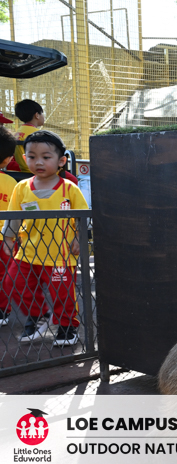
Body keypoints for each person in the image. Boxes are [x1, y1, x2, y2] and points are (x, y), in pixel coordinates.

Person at [2, 130, 89, 346]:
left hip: (60, 255)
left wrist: (79, 237)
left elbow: (83, 217)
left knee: (62, 293)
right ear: (25, 158)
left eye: (46, 157)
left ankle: (67, 326)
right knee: (13, 282)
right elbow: (13, 216)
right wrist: (8, 238)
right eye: (32, 157)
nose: (38, 162)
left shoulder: (69, 188)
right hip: (27, 253)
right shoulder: (22, 188)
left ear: (61, 161)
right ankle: (39, 314)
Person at [0, 128, 18, 326]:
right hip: (5, 237)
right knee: (5, 275)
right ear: (7, 159)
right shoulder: (11, 182)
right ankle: (3, 311)